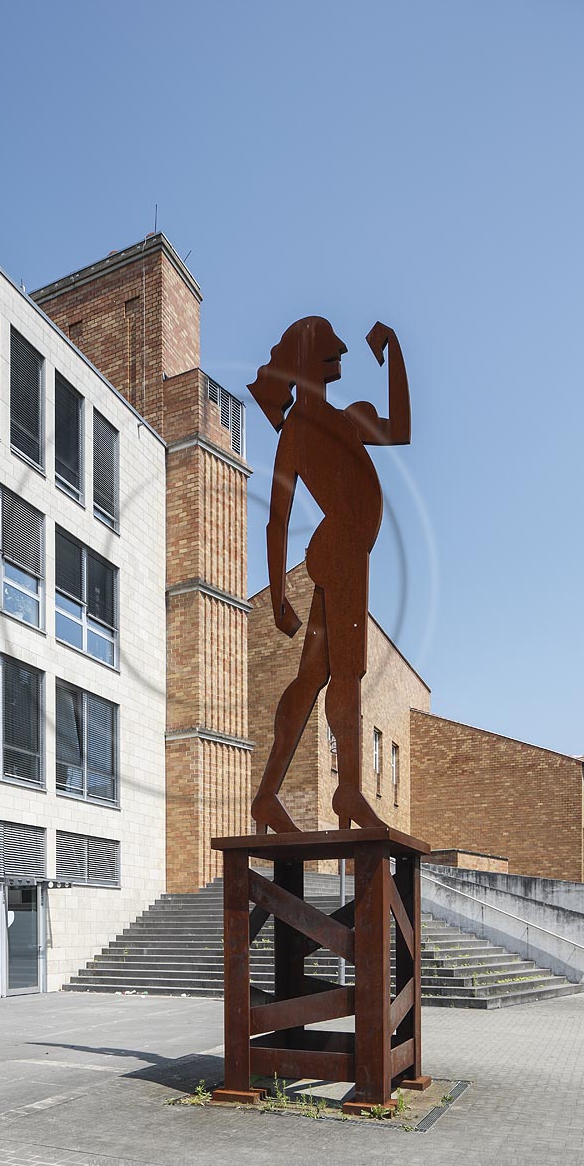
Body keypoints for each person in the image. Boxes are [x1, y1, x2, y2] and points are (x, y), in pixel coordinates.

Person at [249, 315, 411, 833]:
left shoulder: (345, 418)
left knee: (314, 675)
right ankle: (348, 792)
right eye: (328, 350)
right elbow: (277, 518)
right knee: (347, 673)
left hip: (343, 551)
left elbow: (400, 431)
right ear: (305, 363)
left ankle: (267, 795)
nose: (339, 354)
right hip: (341, 551)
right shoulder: (297, 432)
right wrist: (276, 594)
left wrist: (396, 354)